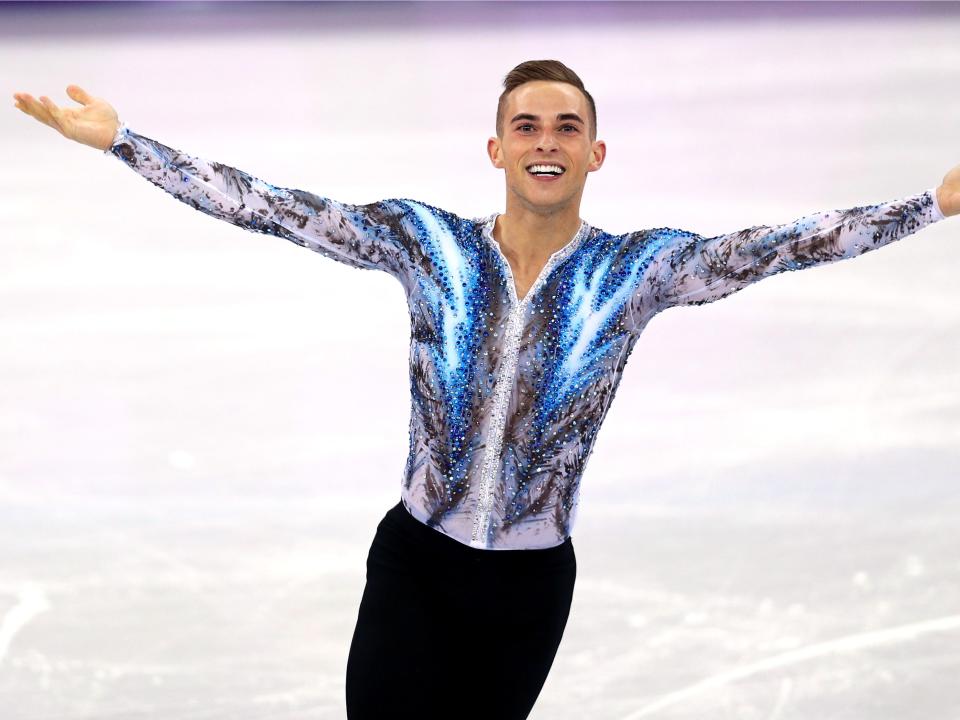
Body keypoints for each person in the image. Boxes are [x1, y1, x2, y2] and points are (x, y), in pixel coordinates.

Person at [13, 59, 956, 719]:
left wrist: (933, 204)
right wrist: (126, 144)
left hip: (529, 583)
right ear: (497, 150)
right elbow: (274, 208)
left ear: (595, 154)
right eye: (526, 126)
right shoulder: (428, 243)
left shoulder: (639, 271)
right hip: (417, 570)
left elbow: (776, 249)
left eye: (567, 128)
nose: (546, 141)